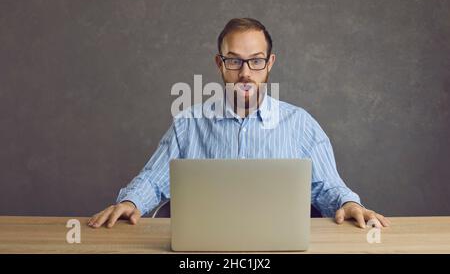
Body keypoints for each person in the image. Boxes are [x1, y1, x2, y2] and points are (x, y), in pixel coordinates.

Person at [88, 18, 390, 229]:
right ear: (220, 64)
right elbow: (154, 180)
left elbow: (327, 187)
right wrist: (131, 201)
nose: (245, 72)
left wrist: (348, 203)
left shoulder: (301, 125)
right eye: (234, 61)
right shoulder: (188, 124)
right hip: (205, 254)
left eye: (256, 61)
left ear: (269, 64)